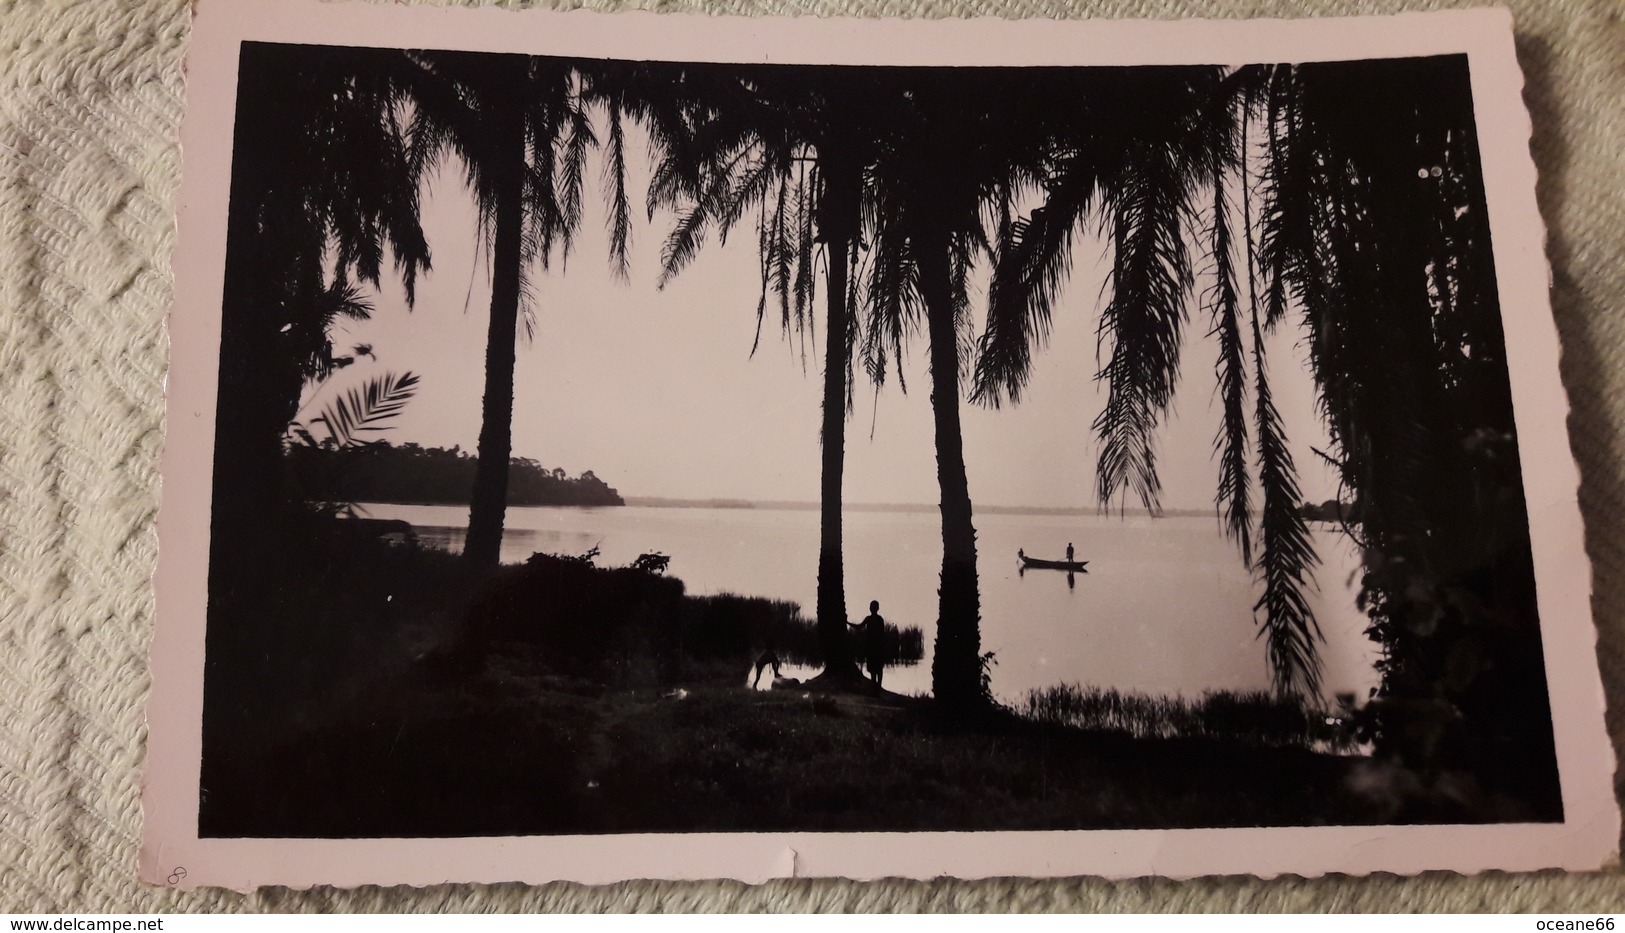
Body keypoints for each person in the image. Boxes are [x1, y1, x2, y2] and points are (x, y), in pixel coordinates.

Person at [849, 600, 887, 687]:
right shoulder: (877, 619)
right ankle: (877, 686)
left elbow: (859, 627)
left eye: (872, 607)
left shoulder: (873, 619)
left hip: (874, 647)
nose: (871, 608)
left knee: (875, 669)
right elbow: (859, 627)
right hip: (874, 647)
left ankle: (876, 686)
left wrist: (848, 623)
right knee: (876, 669)